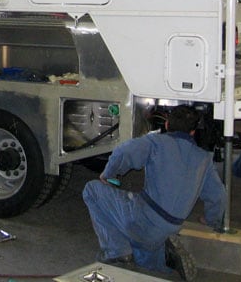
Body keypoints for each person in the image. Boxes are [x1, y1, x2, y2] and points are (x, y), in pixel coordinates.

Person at [83, 105, 226, 281]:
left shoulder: (155, 142)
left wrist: (108, 174)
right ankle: (165, 259)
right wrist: (213, 221)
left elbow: (123, 151)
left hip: (145, 219)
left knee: (92, 190)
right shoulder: (204, 159)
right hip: (171, 225)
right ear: (192, 132)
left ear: (166, 124)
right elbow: (218, 195)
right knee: (145, 255)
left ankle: (116, 252)